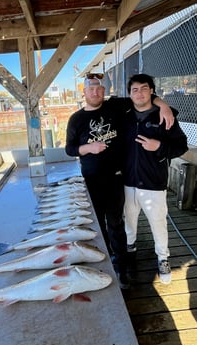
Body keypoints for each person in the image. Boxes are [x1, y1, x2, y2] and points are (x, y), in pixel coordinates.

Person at [65, 73, 174, 289]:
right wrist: (89, 148)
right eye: (91, 89)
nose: (95, 92)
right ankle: (100, 260)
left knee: (116, 223)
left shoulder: (115, 106)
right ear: (84, 92)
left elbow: (144, 97)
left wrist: (165, 106)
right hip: (91, 181)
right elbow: (69, 149)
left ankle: (121, 267)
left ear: (104, 92)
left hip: (116, 179)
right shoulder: (76, 119)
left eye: (99, 88)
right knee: (95, 226)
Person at [123, 73, 188, 284]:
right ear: (129, 94)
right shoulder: (124, 114)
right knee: (129, 219)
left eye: (144, 88)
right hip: (127, 181)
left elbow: (181, 146)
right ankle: (130, 248)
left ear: (152, 91)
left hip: (153, 182)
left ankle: (163, 257)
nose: (139, 93)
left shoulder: (165, 117)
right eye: (134, 90)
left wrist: (159, 146)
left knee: (158, 223)